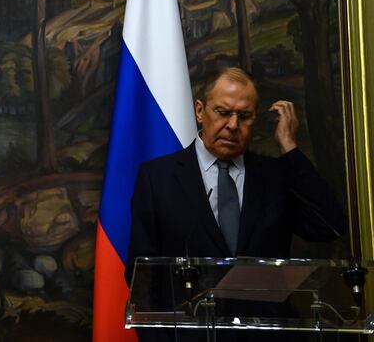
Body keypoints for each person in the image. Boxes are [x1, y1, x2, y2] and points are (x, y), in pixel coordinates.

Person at [125, 67, 346, 340]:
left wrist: (289, 148)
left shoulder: (275, 176)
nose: (232, 125)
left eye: (244, 116)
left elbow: (331, 226)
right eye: (222, 112)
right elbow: (141, 277)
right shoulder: (157, 178)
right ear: (199, 111)